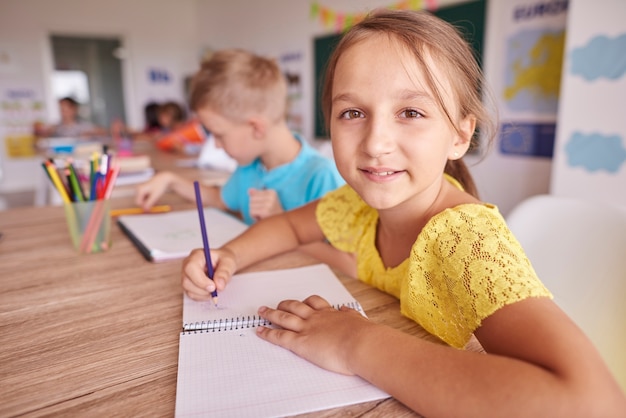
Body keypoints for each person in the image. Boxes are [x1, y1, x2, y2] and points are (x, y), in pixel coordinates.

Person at [180, 10, 626, 417]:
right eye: (352, 112)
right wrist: (231, 256)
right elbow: (291, 226)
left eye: (410, 112)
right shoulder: (358, 206)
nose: (376, 143)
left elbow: (590, 404)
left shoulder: (465, 239)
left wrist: (358, 342)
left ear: (460, 135)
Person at [137, 48, 353, 274]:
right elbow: (220, 199)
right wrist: (170, 180)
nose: (216, 145)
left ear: (256, 128)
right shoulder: (250, 166)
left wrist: (281, 222)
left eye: (219, 134)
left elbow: (346, 264)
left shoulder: (322, 176)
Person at [35, 96, 106, 138]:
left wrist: (92, 134)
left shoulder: (83, 126)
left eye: (65, 109)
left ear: (74, 109)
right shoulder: (56, 128)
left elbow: (102, 132)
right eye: (61, 109)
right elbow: (44, 134)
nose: (63, 113)